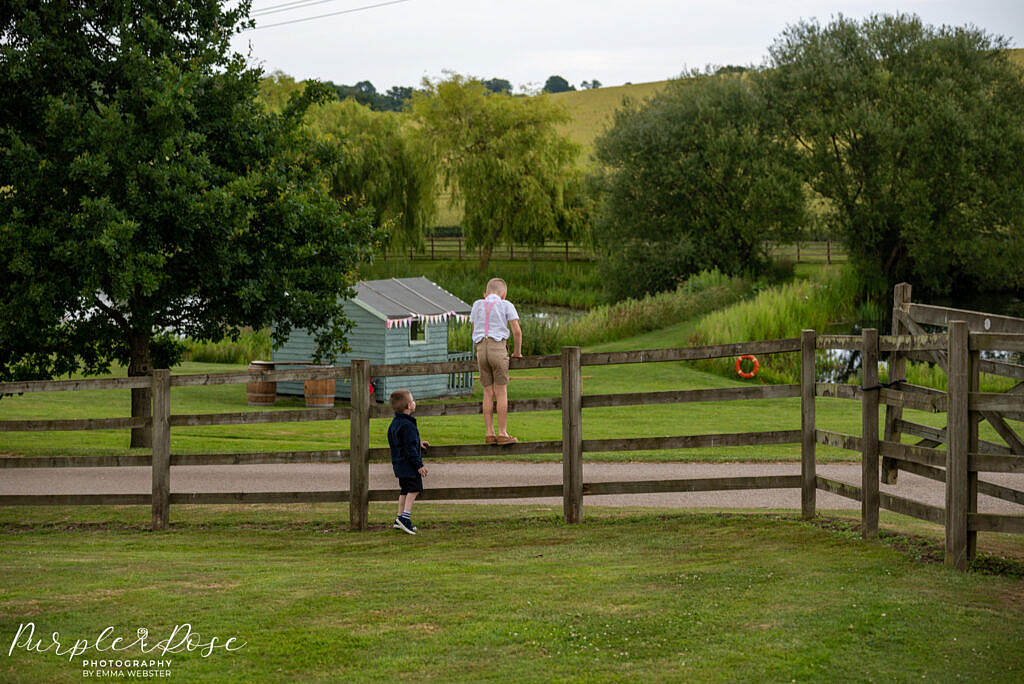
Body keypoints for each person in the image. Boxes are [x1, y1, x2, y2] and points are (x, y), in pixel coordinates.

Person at [469, 277, 522, 445]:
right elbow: (517, 331)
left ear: (485, 294)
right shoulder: (506, 305)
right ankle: (502, 433)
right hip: (497, 347)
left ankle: (489, 433)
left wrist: (477, 350)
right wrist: (517, 352)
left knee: (487, 392)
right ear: (504, 294)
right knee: (501, 392)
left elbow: (473, 329)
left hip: (480, 349)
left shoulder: (477, 305)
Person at [387, 389, 428, 535]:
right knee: (414, 489)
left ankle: (399, 518)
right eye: (412, 400)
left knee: (404, 490)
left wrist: (418, 444)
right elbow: (409, 448)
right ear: (409, 406)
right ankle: (405, 518)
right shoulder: (408, 425)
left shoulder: (395, 424)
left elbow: (404, 443)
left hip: (399, 465)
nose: (414, 402)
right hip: (409, 466)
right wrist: (419, 465)